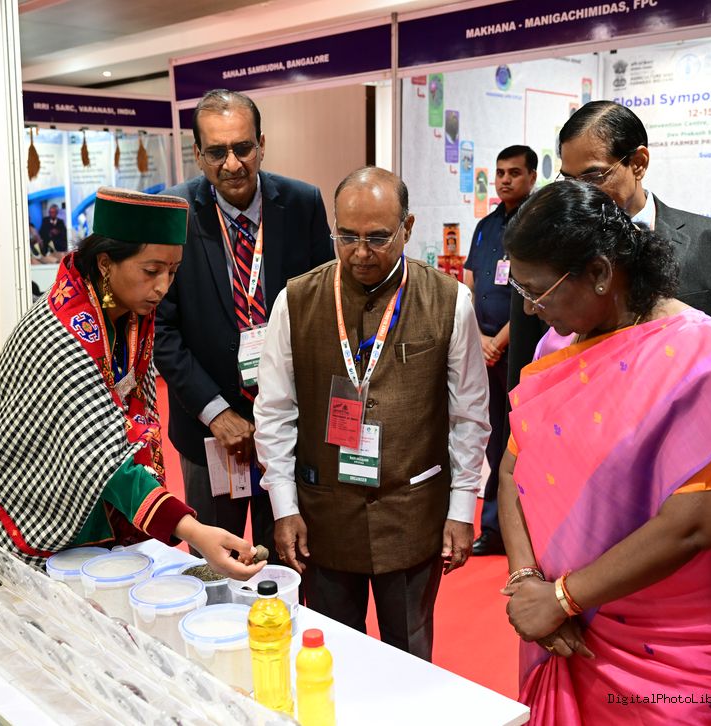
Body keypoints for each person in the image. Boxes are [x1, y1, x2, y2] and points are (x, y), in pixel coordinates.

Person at [0, 188, 265, 653]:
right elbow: (104, 460)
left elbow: (122, 430)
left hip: (61, 489)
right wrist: (195, 531)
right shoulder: (62, 333)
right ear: (106, 262)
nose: (163, 287)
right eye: (151, 271)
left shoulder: (129, 315)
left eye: (173, 272)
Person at [497, 181, 711, 724]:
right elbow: (511, 471)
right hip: (561, 629)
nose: (528, 308)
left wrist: (563, 597)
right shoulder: (558, 347)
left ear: (599, 272)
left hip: (668, 656)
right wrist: (527, 584)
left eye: (539, 292)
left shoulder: (703, 361)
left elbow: (695, 524)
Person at [253, 167, 490, 661]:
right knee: (333, 656)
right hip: (324, 516)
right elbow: (274, 411)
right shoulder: (295, 301)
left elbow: (469, 415)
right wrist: (284, 507)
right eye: (347, 236)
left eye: (378, 238)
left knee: (410, 656)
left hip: (413, 514)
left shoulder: (450, 301)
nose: (361, 252)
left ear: (408, 227)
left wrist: (462, 509)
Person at [155, 89, 333, 559]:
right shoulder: (173, 214)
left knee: (291, 561)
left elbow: (324, 310)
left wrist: (287, 411)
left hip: (289, 426)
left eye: (243, 148)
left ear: (262, 144)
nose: (232, 164)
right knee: (218, 565)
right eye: (217, 152)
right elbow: (161, 331)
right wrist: (216, 412)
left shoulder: (302, 204)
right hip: (209, 432)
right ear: (198, 155)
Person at [550, 101, 711, 348]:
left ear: (638, 163)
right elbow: (528, 363)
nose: (581, 193)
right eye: (570, 180)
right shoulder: (550, 247)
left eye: (593, 177)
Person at [464, 144, 537, 557]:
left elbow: (531, 291)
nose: (506, 179)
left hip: (521, 350)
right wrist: (479, 338)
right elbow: (471, 283)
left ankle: (523, 531)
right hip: (484, 349)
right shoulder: (486, 226)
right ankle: (493, 528)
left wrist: (500, 341)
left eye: (515, 172)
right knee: (492, 439)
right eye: (501, 173)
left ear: (532, 177)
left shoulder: (537, 224)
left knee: (519, 442)